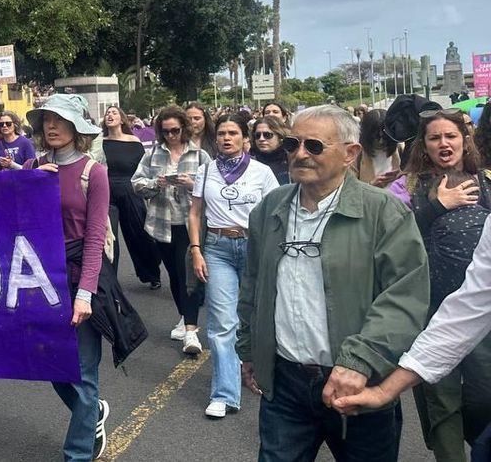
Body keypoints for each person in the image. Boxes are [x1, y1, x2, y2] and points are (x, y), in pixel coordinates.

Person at [238, 105, 429, 462]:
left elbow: (405, 297)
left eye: (313, 146)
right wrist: (249, 348)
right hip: (286, 383)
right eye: (292, 143)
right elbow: (253, 284)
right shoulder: (270, 208)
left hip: (358, 384)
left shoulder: (382, 212)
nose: (299, 154)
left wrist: (359, 361)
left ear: (350, 154)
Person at [333, 216, 491, 455]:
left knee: (480, 399)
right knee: (445, 406)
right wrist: (385, 391)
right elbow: (469, 310)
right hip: (433, 306)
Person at [389, 109, 490, 461]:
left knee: (484, 395)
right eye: (435, 138)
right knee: (441, 401)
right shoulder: (405, 187)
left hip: (479, 311)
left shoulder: (486, 181)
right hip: (428, 310)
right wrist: (436, 207)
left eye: (450, 136)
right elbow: (392, 242)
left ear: (465, 140)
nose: (443, 143)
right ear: (424, 145)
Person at [25, 94, 111, 461]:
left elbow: (94, 237)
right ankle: (91, 411)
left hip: (78, 279)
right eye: (47, 119)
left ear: (78, 128)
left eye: (60, 119)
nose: (51, 126)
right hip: (41, 282)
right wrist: (29, 181)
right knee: (52, 364)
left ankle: (77, 454)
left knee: (84, 371)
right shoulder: (32, 165)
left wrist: (85, 293)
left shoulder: (94, 172)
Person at [188, 114, 280, 419]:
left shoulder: (262, 172)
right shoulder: (205, 171)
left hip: (255, 247)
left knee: (258, 315)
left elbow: (277, 212)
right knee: (221, 323)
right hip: (217, 249)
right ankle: (224, 394)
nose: (226, 138)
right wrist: (197, 250)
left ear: (245, 139)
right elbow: (195, 213)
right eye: (222, 133)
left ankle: (262, 374)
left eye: (233, 133)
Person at [132, 106, 211, 354]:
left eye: (175, 130)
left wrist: (192, 184)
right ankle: (185, 316)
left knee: (187, 275)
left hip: (190, 225)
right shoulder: (153, 154)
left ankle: (191, 331)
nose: (170, 136)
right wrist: (156, 183)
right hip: (161, 224)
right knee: (175, 277)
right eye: (165, 131)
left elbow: (213, 189)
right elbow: (136, 183)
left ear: (184, 128)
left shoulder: (200, 155)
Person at [101, 105, 162, 289]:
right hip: (106, 191)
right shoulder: (99, 142)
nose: (110, 115)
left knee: (138, 233)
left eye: (114, 113)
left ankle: (151, 273)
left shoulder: (134, 141)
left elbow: (143, 169)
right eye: (107, 113)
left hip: (130, 190)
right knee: (108, 237)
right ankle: (109, 280)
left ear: (122, 119)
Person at [354, 108, 402, 187]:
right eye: (376, 137)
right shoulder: (356, 154)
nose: (381, 141)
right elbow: (350, 189)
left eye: (385, 137)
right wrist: (371, 186)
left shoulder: (399, 149)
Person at [250, 116, 291, 184]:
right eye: (257, 135)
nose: (261, 139)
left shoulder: (291, 159)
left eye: (267, 135)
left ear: (280, 136)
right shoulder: (248, 161)